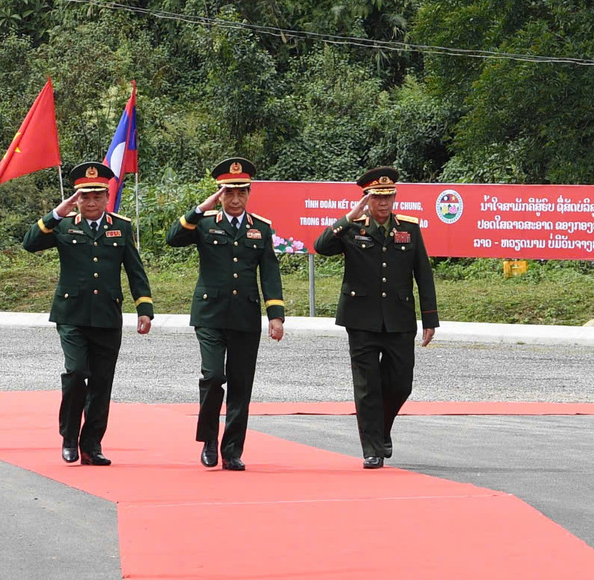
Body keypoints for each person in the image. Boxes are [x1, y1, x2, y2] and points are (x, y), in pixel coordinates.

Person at [21, 162, 153, 465]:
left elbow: (135, 270)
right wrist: (57, 212)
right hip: (72, 314)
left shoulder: (121, 226)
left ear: (107, 198)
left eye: (97, 197)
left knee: (102, 381)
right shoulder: (63, 225)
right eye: (84, 197)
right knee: (76, 372)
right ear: (76, 199)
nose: (91, 203)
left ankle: (92, 444)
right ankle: (69, 436)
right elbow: (30, 243)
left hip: (107, 315)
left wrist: (144, 308)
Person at [313, 167, 439, 468]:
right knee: (368, 386)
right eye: (376, 197)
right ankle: (371, 447)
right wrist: (347, 218)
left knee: (401, 384)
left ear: (395, 197)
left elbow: (423, 273)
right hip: (361, 319)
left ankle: (382, 429)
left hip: (399, 318)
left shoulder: (409, 228)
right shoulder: (353, 227)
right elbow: (321, 247)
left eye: (388, 197)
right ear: (366, 199)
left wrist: (430, 318)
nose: (383, 203)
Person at [167, 158, 286, 470]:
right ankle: (209, 439)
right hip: (210, 315)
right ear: (219, 194)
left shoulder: (260, 228)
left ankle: (232, 449)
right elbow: (173, 238)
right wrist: (199, 208)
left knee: (240, 384)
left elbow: (270, 273)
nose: (235, 199)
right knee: (213, 376)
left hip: (245, 317)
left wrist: (276, 315)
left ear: (248, 194)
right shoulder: (204, 223)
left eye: (241, 193)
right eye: (228, 193)